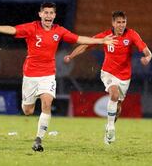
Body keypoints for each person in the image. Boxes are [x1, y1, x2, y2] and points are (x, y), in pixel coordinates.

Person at [0, 2, 117, 152]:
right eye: (46, 13)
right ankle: (28, 105)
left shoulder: (59, 31)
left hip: (48, 74)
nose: (48, 16)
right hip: (30, 75)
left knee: (47, 102)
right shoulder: (32, 27)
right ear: (40, 14)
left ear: (54, 16)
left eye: (51, 13)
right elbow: (13, 29)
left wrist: (101, 41)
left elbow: (79, 39)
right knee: (28, 111)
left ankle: (38, 139)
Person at [64, 11, 151, 144]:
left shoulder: (132, 34)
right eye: (118, 22)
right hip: (108, 72)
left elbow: (146, 50)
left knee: (118, 105)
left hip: (125, 76)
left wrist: (147, 57)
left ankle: (110, 125)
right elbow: (86, 45)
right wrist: (71, 56)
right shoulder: (105, 36)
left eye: (123, 22)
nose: (121, 25)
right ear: (113, 23)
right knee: (114, 94)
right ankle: (110, 127)